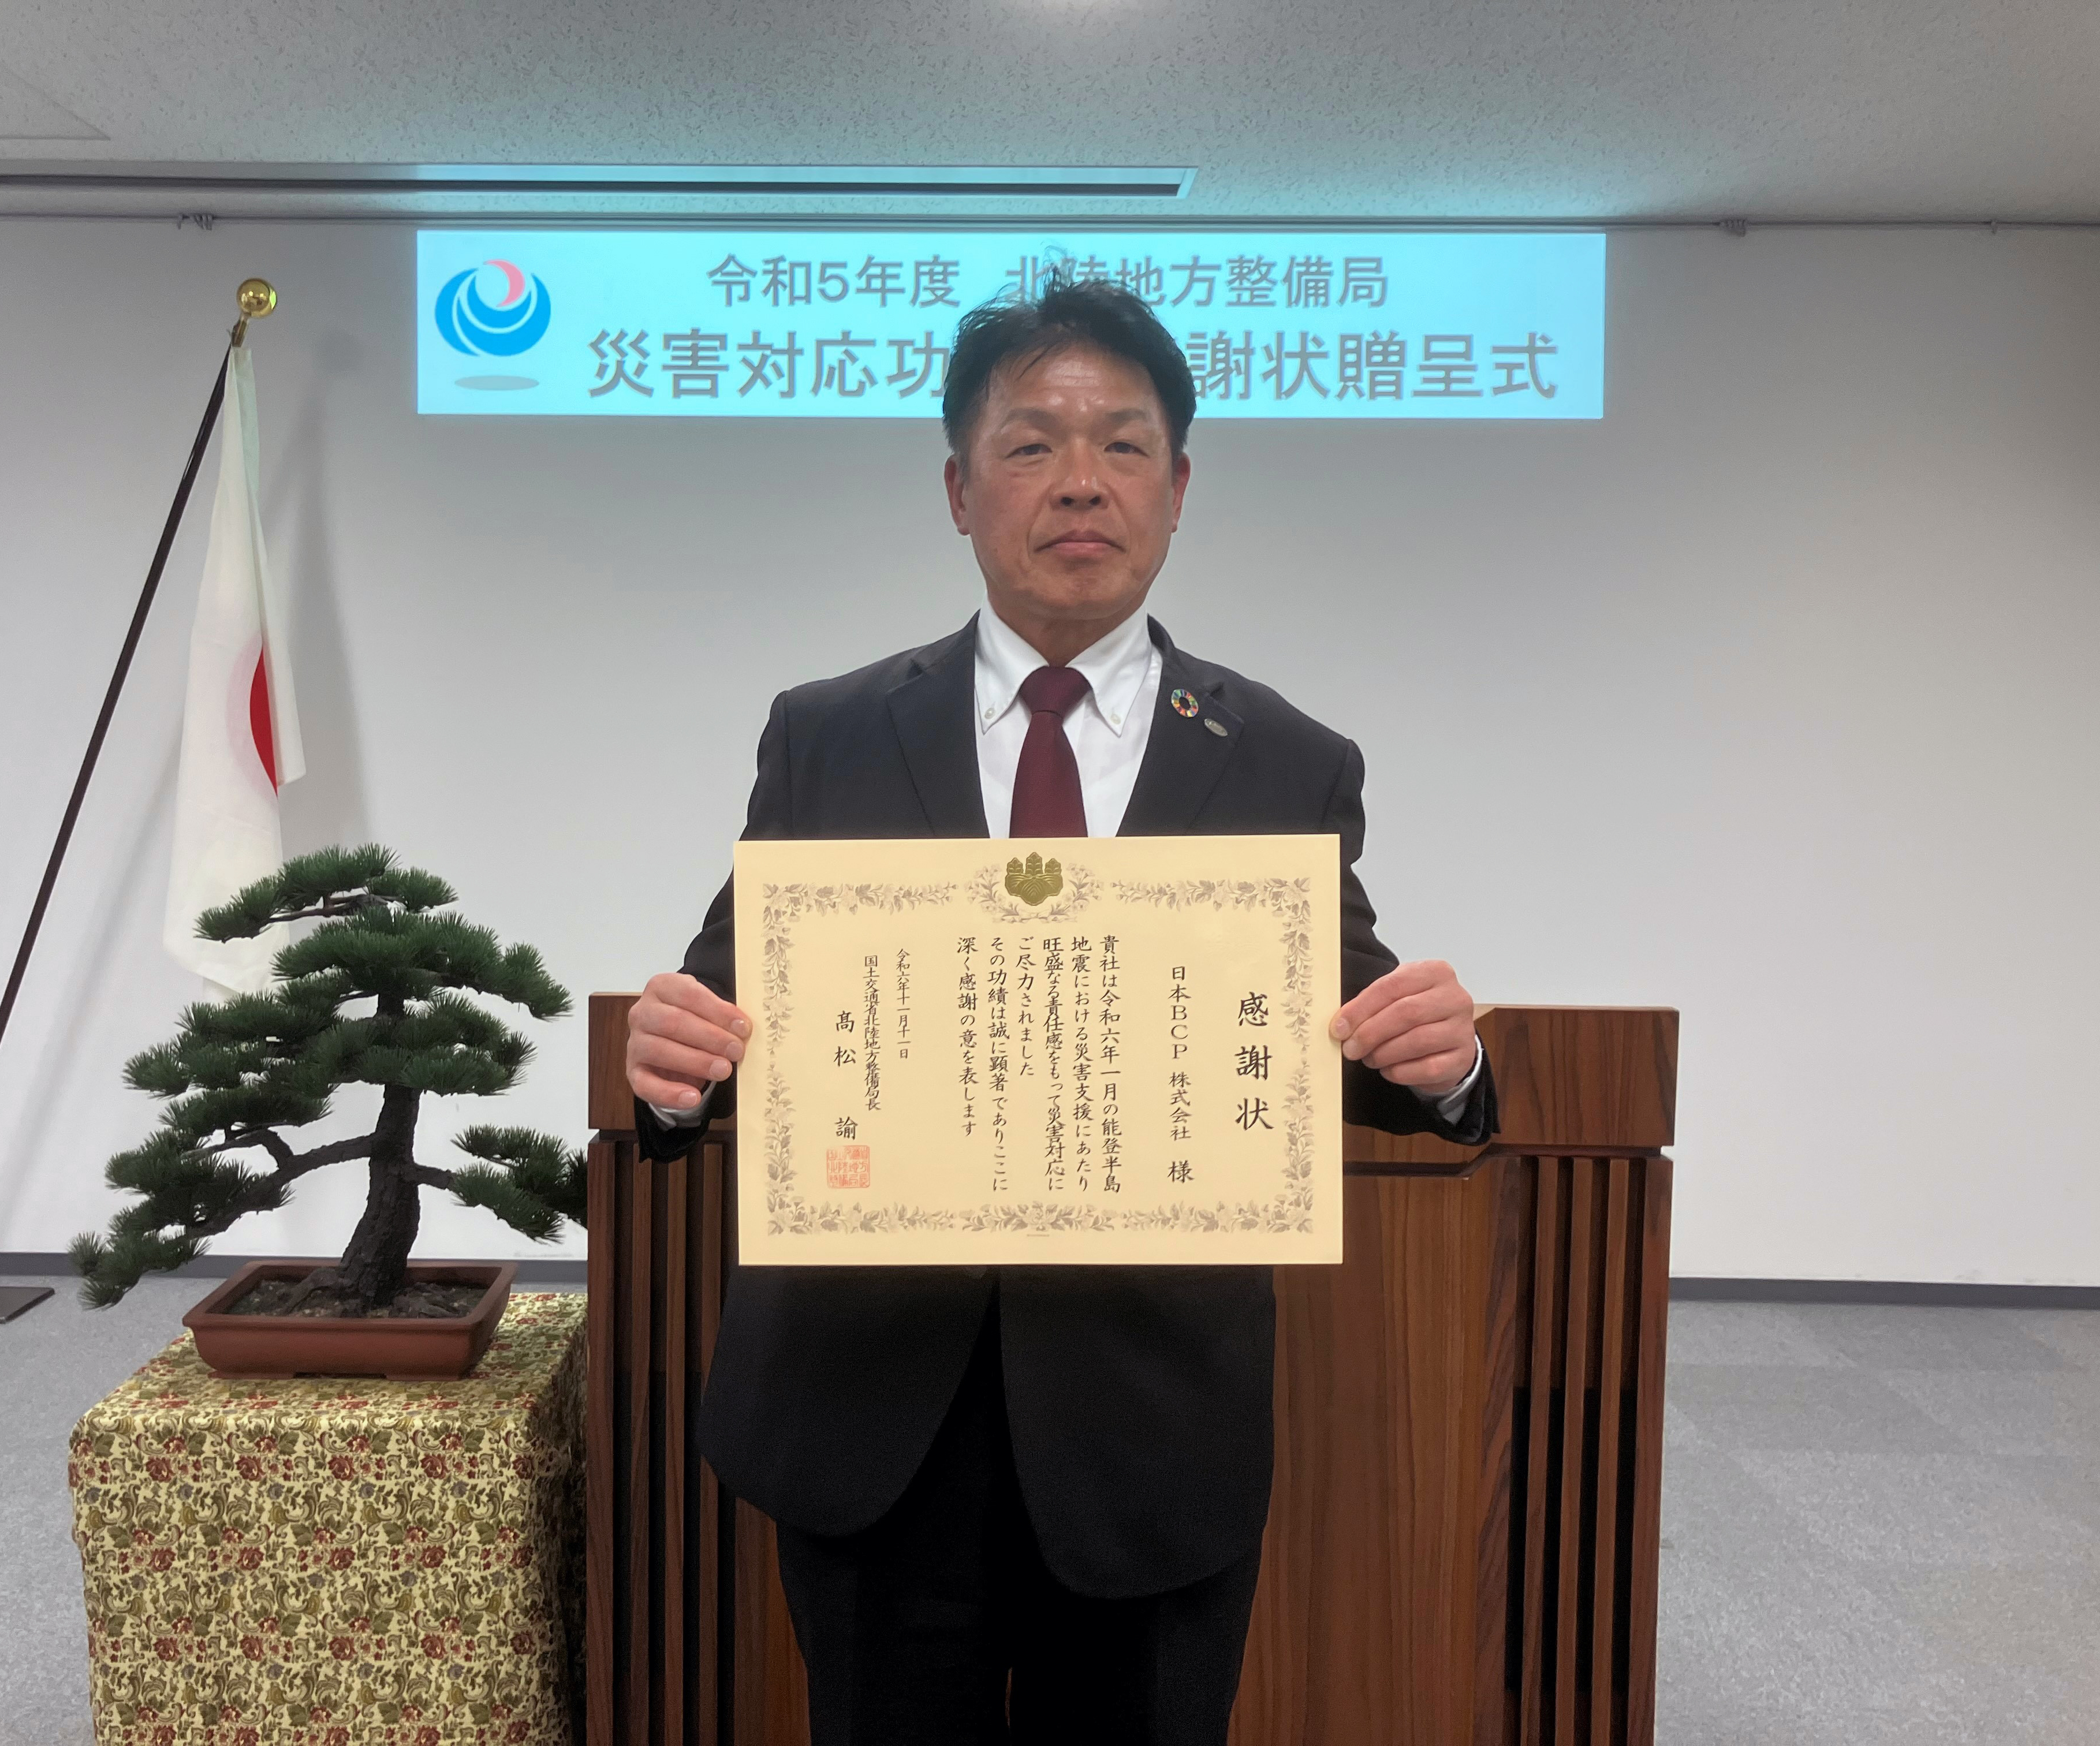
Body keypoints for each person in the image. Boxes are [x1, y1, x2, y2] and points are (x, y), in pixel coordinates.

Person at [625, 273, 1495, 1745]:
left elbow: (1338, 1029)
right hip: (873, 1408)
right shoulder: (829, 732)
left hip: (1150, 1428)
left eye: (1124, 445)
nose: (1080, 482)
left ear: (1178, 489)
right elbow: (730, 997)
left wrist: (1446, 1066)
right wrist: (672, 1067)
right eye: (1031, 445)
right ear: (959, 492)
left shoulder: (1284, 756)